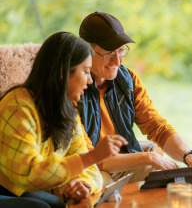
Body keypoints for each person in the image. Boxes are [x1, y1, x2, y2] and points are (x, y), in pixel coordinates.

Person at [77, 12, 192, 183]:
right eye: (109, 53)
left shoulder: (127, 80)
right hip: (93, 168)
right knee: (100, 183)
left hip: (126, 161)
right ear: (86, 51)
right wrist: (148, 158)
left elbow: (156, 126)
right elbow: (89, 157)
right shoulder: (73, 88)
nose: (118, 61)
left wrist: (190, 158)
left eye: (121, 51)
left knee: (175, 184)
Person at [0, 32, 127, 207]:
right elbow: (28, 174)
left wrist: (83, 184)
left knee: (60, 204)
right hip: (8, 187)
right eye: (85, 71)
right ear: (62, 71)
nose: (90, 80)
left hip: (19, 189)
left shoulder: (67, 107)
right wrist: (91, 157)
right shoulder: (18, 106)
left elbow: (84, 160)